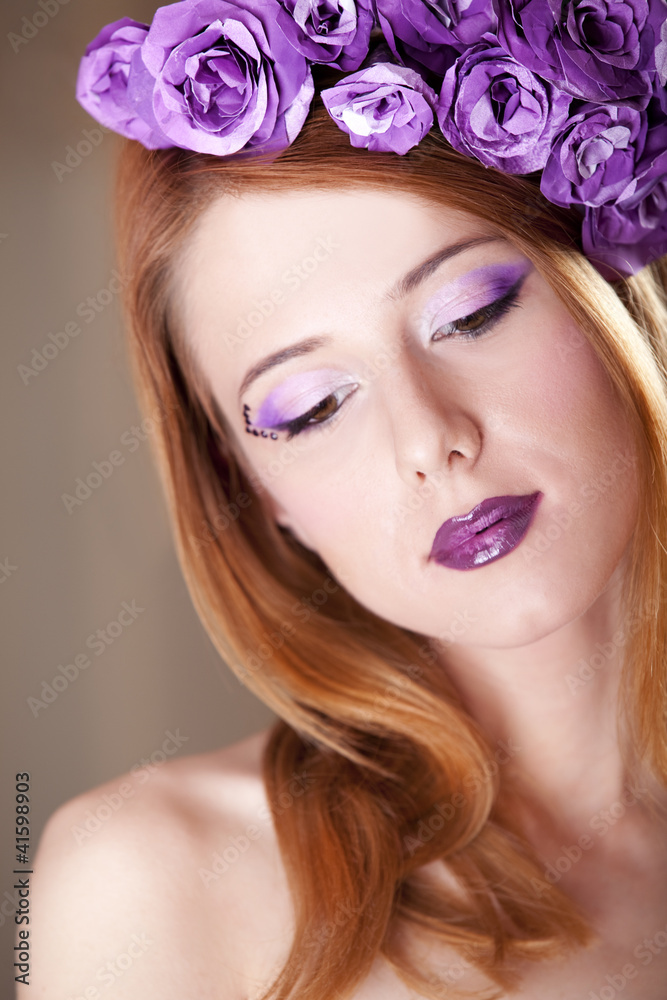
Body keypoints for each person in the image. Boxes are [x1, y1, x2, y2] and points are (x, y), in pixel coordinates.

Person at [27, 2, 667, 998]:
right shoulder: (149, 879)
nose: (428, 440)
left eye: (471, 310)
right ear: (256, 489)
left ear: (608, 289)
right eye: (311, 406)